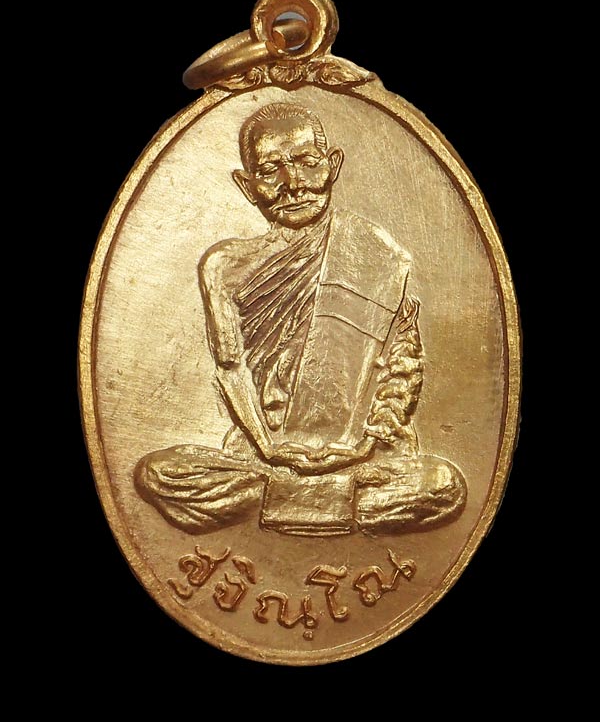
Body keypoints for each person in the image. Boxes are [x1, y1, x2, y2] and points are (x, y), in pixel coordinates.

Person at [135, 103, 466, 536]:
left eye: (307, 162)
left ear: (332, 166)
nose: (293, 184)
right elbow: (230, 366)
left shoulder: (377, 255)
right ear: (248, 186)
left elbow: (403, 365)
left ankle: (290, 500)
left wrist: (363, 444)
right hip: (262, 455)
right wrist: (269, 448)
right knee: (157, 474)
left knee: (444, 486)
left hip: (360, 458)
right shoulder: (225, 266)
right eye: (269, 170)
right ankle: (320, 500)